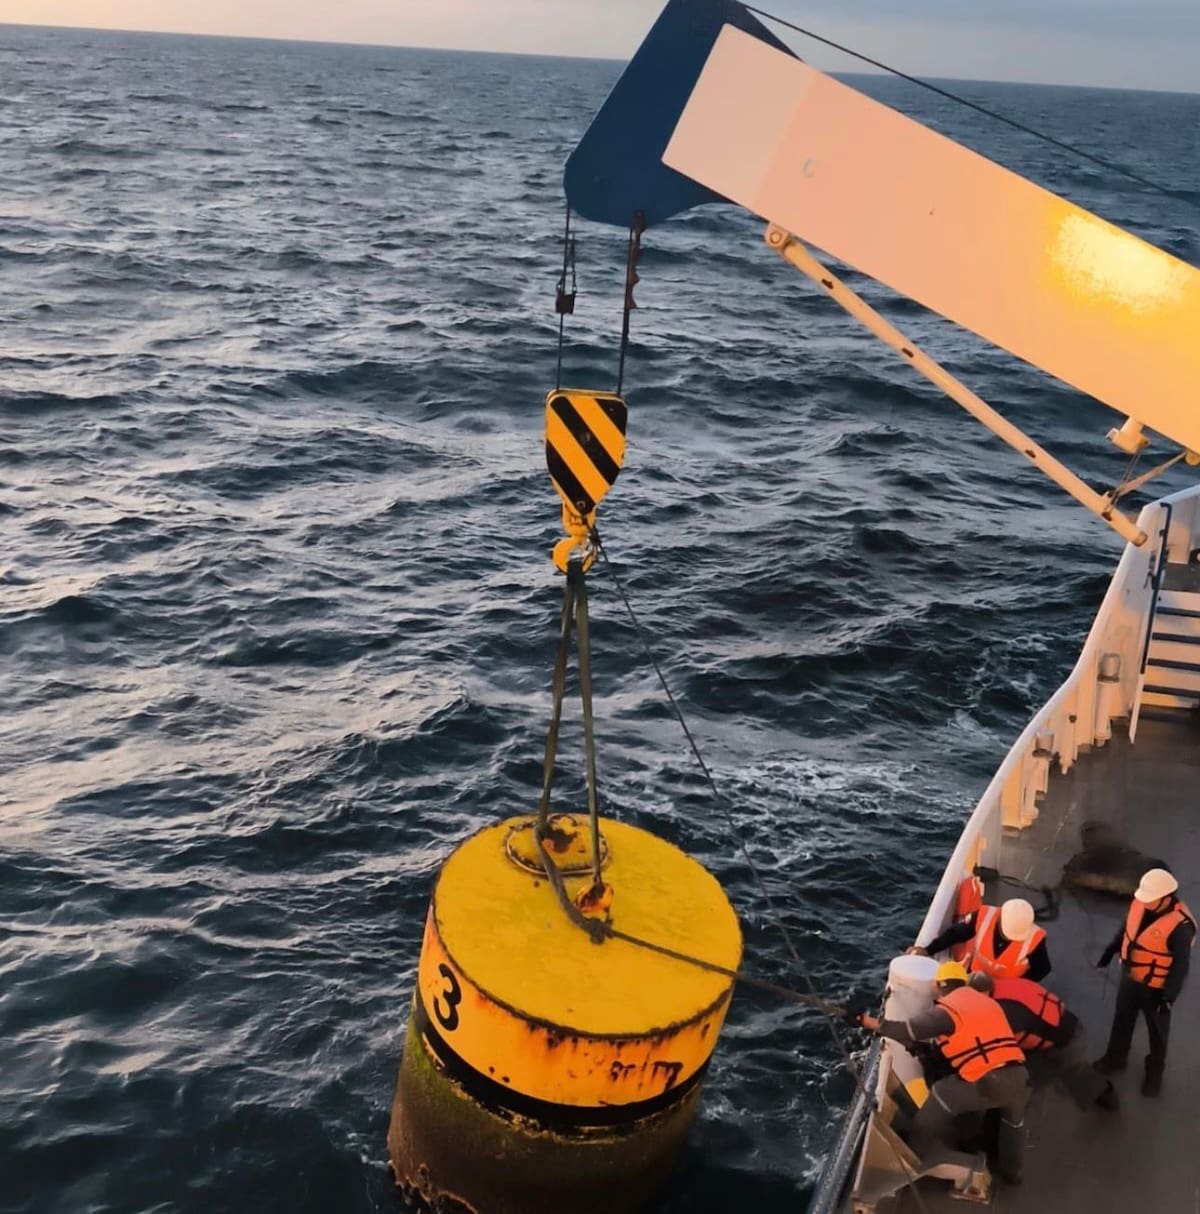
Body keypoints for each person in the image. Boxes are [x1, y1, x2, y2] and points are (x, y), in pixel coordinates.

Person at [857, 960, 1028, 1185]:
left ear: (940, 987)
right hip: (1020, 1075)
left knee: (941, 1093)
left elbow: (905, 1030)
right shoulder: (988, 1003)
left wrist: (863, 1020)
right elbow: (977, 1040)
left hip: (990, 1081)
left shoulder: (949, 1008)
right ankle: (1012, 1174)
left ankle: (914, 1154)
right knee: (1013, 1124)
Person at [1095, 867, 1195, 1096]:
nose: (1145, 902)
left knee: (1157, 1034)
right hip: (1131, 978)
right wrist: (1110, 951)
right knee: (1122, 1021)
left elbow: (1181, 966)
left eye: (1151, 900)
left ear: (1167, 898)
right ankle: (1115, 1058)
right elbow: (1127, 930)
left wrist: (1168, 997)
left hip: (1156, 990)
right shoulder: (1141, 903)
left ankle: (1154, 1074)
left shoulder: (1180, 928)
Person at [969, 971, 1116, 1110]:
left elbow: (1003, 1049)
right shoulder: (1005, 984)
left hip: (1065, 1042)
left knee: (1074, 1075)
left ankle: (1106, 1094)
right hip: (1064, 1023)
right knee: (1039, 1073)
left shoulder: (1007, 1015)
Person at [908, 897, 1050, 981]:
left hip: (1007, 990)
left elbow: (1042, 969)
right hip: (974, 978)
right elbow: (954, 934)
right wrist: (928, 950)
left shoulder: (1035, 940)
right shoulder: (983, 917)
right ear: (1000, 918)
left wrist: (1017, 987)